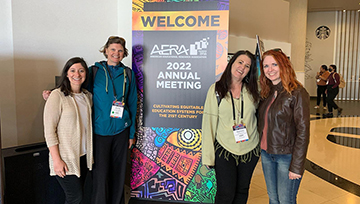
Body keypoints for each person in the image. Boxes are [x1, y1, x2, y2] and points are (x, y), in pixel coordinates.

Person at [43, 36, 137, 204]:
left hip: (121, 131)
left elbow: (132, 102)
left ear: (124, 54)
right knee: (100, 176)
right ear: (106, 51)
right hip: (99, 133)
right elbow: (75, 85)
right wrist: (52, 92)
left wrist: (131, 133)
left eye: (120, 50)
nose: (116, 53)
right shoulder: (95, 71)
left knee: (118, 173)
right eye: (113, 49)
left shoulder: (128, 74)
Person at [202, 50, 261, 204]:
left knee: (242, 192)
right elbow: (208, 123)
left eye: (247, 66)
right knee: (225, 194)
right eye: (240, 62)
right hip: (224, 150)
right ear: (231, 63)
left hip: (250, 151)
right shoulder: (216, 90)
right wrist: (208, 157)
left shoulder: (254, 91)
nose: (242, 67)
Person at [258, 49, 310, 204]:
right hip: (267, 154)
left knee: (286, 200)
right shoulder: (267, 92)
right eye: (266, 66)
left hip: (286, 157)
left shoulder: (297, 92)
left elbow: (303, 131)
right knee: (273, 199)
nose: (270, 69)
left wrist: (297, 166)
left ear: (283, 65)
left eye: (274, 64)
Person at [43, 57, 93, 204]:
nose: (77, 74)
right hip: (65, 158)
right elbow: (49, 130)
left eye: (81, 70)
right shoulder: (57, 96)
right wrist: (56, 160)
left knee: (80, 196)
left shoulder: (87, 96)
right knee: (75, 197)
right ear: (66, 73)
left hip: (83, 157)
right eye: (72, 70)